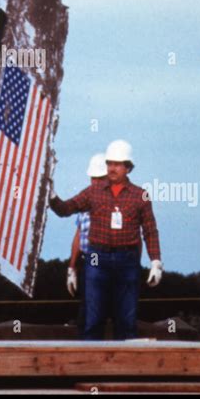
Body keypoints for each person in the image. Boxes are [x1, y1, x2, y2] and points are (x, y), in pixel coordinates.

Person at [50, 139, 162, 341]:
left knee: (126, 321)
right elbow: (66, 209)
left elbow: (150, 230)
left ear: (128, 167)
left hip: (127, 260)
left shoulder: (140, 196)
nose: (112, 168)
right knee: (93, 319)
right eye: (109, 163)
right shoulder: (93, 192)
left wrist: (156, 262)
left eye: (117, 164)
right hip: (96, 258)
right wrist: (51, 196)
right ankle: (90, 369)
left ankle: (122, 369)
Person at [66, 154, 107, 337]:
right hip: (87, 260)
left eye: (100, 178)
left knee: (102, 308)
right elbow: (78, 235)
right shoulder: (85, 201)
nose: (96, 182)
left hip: (108, 260)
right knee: (87, 308)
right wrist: (71, 268)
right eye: (94, 178)